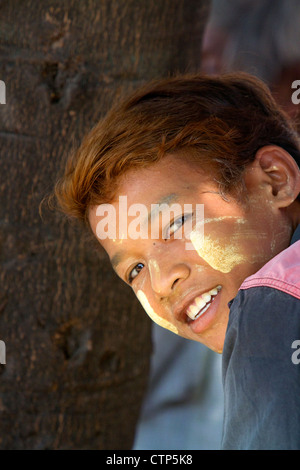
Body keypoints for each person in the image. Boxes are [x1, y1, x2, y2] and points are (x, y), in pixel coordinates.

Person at [52, 72, 300, 449]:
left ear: (274, 180)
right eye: (135, 270)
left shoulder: (271, 312)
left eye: (176, 223)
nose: (161, 280)